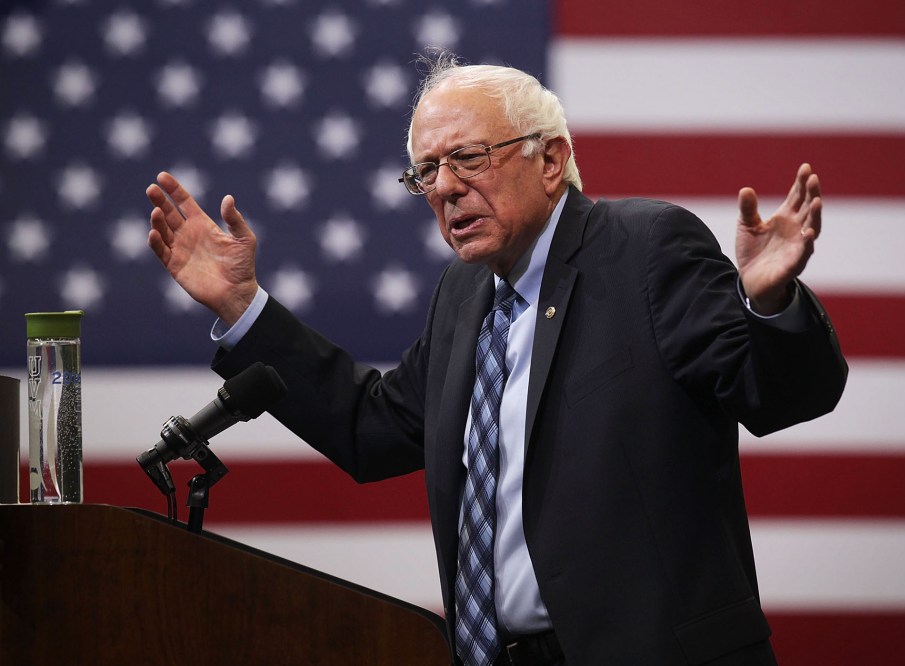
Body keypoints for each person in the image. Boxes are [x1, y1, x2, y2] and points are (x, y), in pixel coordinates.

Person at [146, 54, 847, 666]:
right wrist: (243, 308)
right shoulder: (464, 293)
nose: (444, 187)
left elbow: (781, 396)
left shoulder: (644, 249)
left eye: (468, 158)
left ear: (551, 161)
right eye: (425, 170)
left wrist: (769, 303)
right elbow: (371, 427)